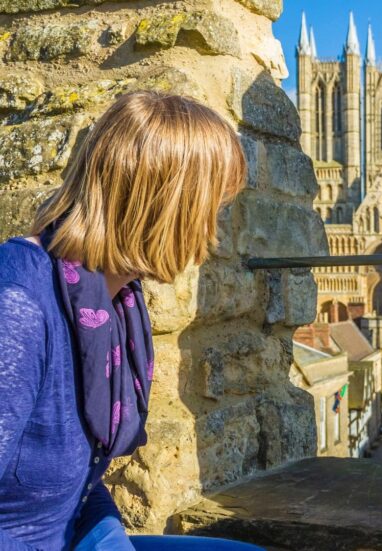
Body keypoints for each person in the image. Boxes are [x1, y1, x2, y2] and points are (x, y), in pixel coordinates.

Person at [0, 92, 263, 550]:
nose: (214, 232)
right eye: (211, 208)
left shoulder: (110, 303)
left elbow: (80, 484)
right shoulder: (18, 307)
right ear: (168, 208)